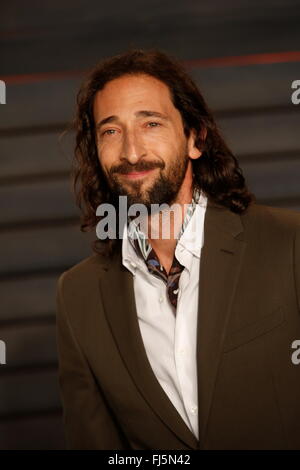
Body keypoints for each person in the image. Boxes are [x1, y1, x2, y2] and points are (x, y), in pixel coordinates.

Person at [55, 48, 300, 450]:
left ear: (195, 138)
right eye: (111, 131)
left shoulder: (289, 244)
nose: (132, 151)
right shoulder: (78, 296)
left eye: (150, 123)